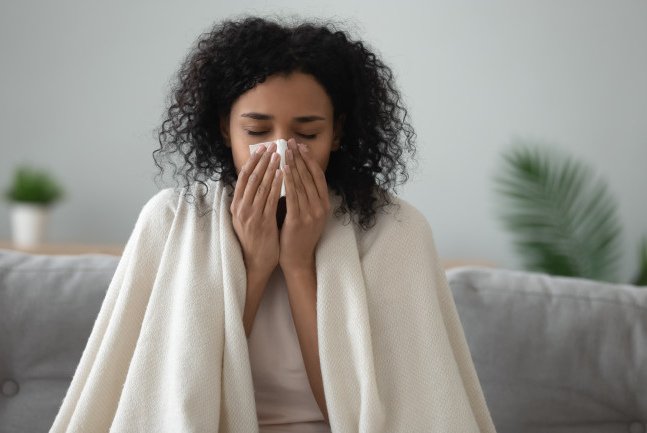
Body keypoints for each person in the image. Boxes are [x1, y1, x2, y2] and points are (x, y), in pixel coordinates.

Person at [50, 15, 496, 433]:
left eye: (306, 134)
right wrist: (256, 265)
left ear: (337, 133)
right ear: (226, 128)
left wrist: (299, 264)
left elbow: (365, 416)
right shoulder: (171, 221)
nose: (281, 151)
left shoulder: (394, 230)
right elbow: (182, 402)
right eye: (257, 131)